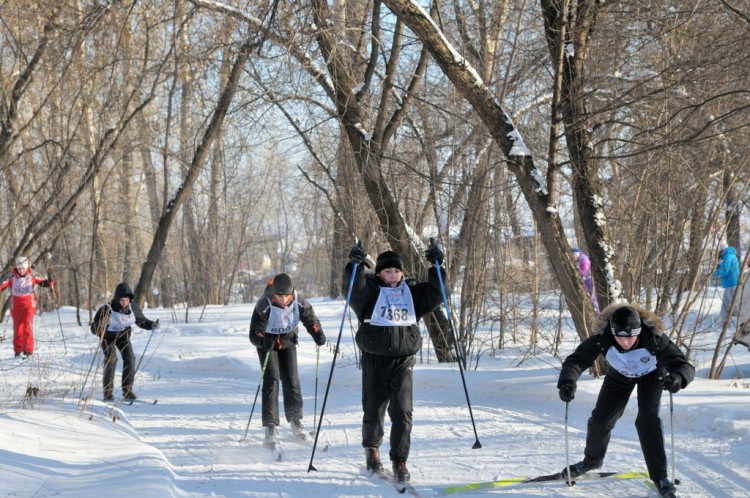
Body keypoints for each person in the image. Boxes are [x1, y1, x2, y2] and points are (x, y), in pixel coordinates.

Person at [557, 303, 695, 498]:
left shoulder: (655, 339)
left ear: (638, 332)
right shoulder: (602, 338)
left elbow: (683, 365)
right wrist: (567, 382)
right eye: (619, 337)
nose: (625, 342)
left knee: (647, 420)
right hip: (619, 377)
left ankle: (660, 477)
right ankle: (591, 462)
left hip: (652, 376)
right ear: (612, 333)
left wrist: (678, 378)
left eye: (630, 337)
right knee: (601, 420)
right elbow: (577, 360)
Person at [344, 241, 445, 482]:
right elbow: (352, 290)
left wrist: (438, 266)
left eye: (397, 271)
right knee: (374, 409)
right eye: (388, 271)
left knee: (403, 412)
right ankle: (372, 449)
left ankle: (400, 460)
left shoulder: (411, 292)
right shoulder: (369, 292)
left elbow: (437, 292)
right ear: (379, 273)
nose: (393, 275)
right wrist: (355, 266)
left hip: (403, 360)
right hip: (375, 359)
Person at [249, 273, 326, 447]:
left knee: (292, 380)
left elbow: (311, 319)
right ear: (273, 294)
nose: (283, 300)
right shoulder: (264, 303)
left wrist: (317, 333)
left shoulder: (299, 300)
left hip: (288, 342)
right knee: (272, 380)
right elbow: (254, 334)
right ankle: (270, 426)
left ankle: (295, 420)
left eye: (286, 296)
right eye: (279, 296)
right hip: (268, 345)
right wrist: (262, 340)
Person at [90, 282, 160, 401]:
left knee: (130, 358)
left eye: (127, 301)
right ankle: (108, 393)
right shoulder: (106, 308)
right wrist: (102, 326)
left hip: (123, 337)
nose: (124, 303)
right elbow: (93, 328)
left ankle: (127, 391)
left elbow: (141, 321)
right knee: (111, 359)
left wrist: (152, 325)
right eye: (122, 301)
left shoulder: (132, 307)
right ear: (117, 299)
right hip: (107, 338)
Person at [0, 256, 54, 357]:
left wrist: (49, 282)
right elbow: (2, 284)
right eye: (19, 268)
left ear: (26, 268)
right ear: (16, 268)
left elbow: (42, 281)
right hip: (15, 304)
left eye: (23, 268)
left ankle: (28, 350)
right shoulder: (11, 275)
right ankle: (18, 350)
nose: (21, 270)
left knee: (27, 325)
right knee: (18, 327)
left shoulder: (32, 274)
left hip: (29, 303)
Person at [713, 246, 740, 322]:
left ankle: (738, 321)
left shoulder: (728, 256)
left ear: (721, 250)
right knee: (726, 303)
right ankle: (724, 320)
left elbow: (725, 270)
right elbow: (724, 268)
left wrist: (713, 273)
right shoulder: (730, 256)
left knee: (733, 304)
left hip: (732, 283)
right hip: (731, 283)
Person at [572, 248, 599, 314]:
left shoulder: (584, 260)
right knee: (589, 297)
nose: (574, 258)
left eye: (574, 256)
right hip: (586, 280)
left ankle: (598, 312)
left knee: (593, 298)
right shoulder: (580, 260)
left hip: (589, 280)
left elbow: (583, 271)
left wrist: (577, 271)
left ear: (577, 254)